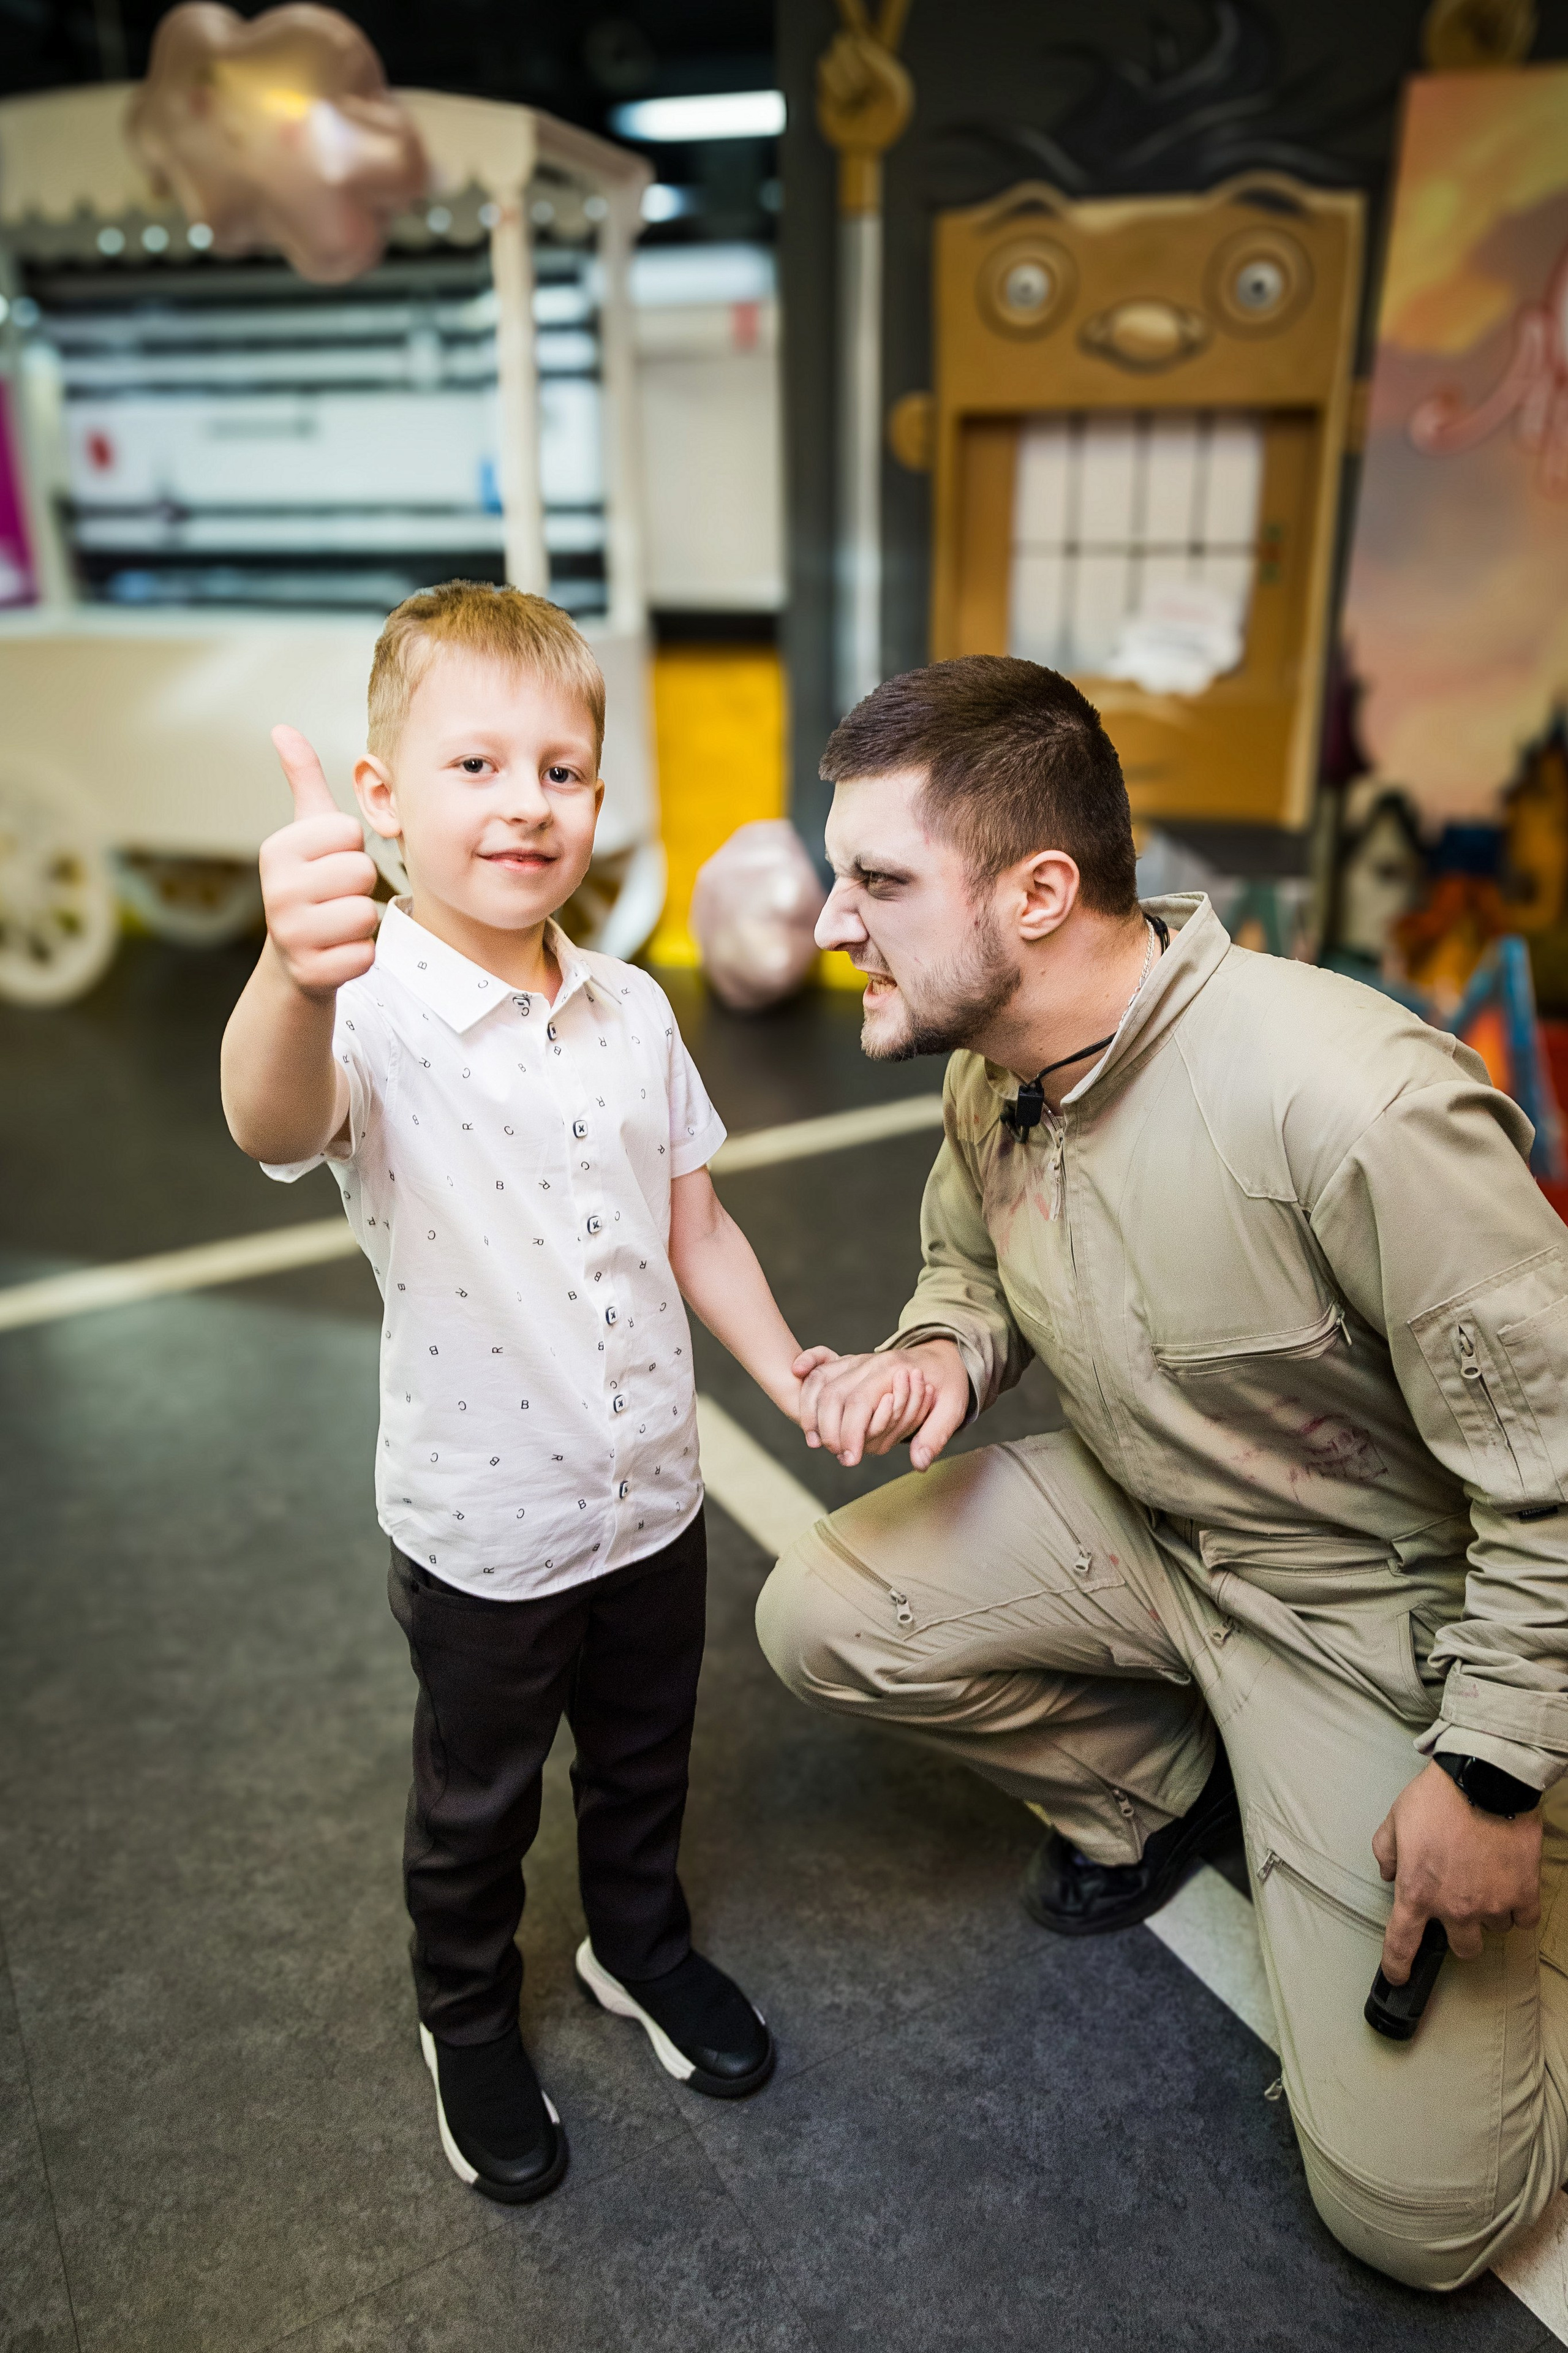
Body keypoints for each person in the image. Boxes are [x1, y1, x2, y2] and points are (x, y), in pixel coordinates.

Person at [758, 655, 1568, 2291]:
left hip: (1376, 1616)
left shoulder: (1353, 1103)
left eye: (881, 882)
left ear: (1039, 893)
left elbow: (1554, 1472)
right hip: (1160, 1527)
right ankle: (1176, 1788)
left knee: (1425, 2224)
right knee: (825, 1613)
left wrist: (1492, 1775)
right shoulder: (996, 1063)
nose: (833, 922)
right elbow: (970, 1260)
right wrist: (945, 1351)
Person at [220, 581, 933, 2204]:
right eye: (474, 766)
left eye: (560, 770)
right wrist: (287, 973)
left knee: (642, 1754)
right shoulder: (366, 1011)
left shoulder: (635, 1010)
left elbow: (696, 1224)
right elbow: (273, 1117)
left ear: (599, 798)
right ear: (382, 795)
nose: (525, 803)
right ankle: (464, 2013)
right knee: (476, 1801)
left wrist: (790, 1367)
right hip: (488, 1530)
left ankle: (636, 1943)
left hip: (653, 1500)